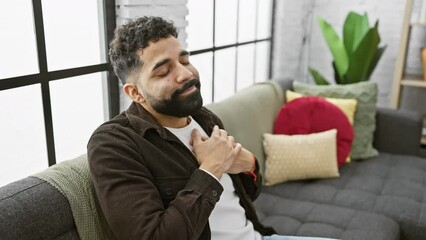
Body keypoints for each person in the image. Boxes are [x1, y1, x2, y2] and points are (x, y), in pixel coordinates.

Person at [87, 16, 336, 240]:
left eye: (185, 60)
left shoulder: (204, 118)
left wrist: (248, 163)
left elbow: (251, 191)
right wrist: (211, 169)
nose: (185, 73)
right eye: (164, 71)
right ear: (135, 92)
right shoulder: (113, 144)